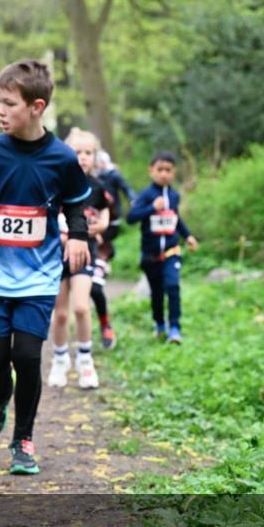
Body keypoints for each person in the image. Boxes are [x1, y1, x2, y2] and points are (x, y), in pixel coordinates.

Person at [0, 59, 92, 476]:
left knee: (28, 355)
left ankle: (23, 440)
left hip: (39, 275)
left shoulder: (62, 157)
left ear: (36, 106)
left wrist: (79, 234)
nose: (0, 111)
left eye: (8, 103)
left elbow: (76, 201)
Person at [48, 128, 110, 390]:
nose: (83, 157)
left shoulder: (97, 187)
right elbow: (48, 221)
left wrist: (87, 231)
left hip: (85, 253)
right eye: (77, 152)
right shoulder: (56, 184)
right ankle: (60, 360)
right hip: (56, 256)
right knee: (60, 315)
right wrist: (63, 236)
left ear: (95, 157)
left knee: (82, 308)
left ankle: (85, 361)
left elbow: (104, 220)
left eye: (88, 152)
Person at [127, 151, 199, 343]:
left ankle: (175, 328)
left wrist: (188, 235)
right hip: (151, 256)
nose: (164, 174)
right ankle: (160, 324)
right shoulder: (146, 194)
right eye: (160, 170)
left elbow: (175, 218)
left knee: (173, 286)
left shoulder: (174, 196)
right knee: (157, 294)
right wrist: (152, 207)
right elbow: (131, 217)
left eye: (168, 170)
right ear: (151, 171)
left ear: (173, 173)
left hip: (171, 252)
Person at [93, 150, 135, 349]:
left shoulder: (105, 183)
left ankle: (105, 325)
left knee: (95, 288)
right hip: (69, 245)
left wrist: (133, 199)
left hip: (103, 235)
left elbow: (125, 189)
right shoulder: (69, 181)